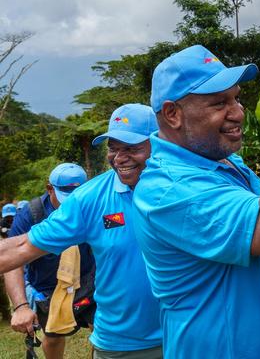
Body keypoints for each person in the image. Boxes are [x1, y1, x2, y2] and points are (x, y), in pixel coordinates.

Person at [131, 45, 260, 358]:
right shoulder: (169, 188)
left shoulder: (220, 160)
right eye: (219, 103)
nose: (238, 112)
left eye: (236, 97)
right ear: (173, 114)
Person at [0, 104, 163, 359]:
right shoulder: (89, 198)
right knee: (53, 335)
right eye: (113, 148)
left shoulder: (187, 185)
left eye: (131, 148)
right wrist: (21, 304)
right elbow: (20, 248)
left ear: (160, 142)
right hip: (122, 344)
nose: (119, 158)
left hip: (188, 334)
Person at [4, 163, 95, 359]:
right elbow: (14, 262)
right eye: (65, 197)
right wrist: (21, 306)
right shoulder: (31, 214)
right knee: (53, 337)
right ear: (49, 188)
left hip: (88, 280)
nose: (70, 204)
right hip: (48, 288)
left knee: (104, 330)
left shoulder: (92, 205)